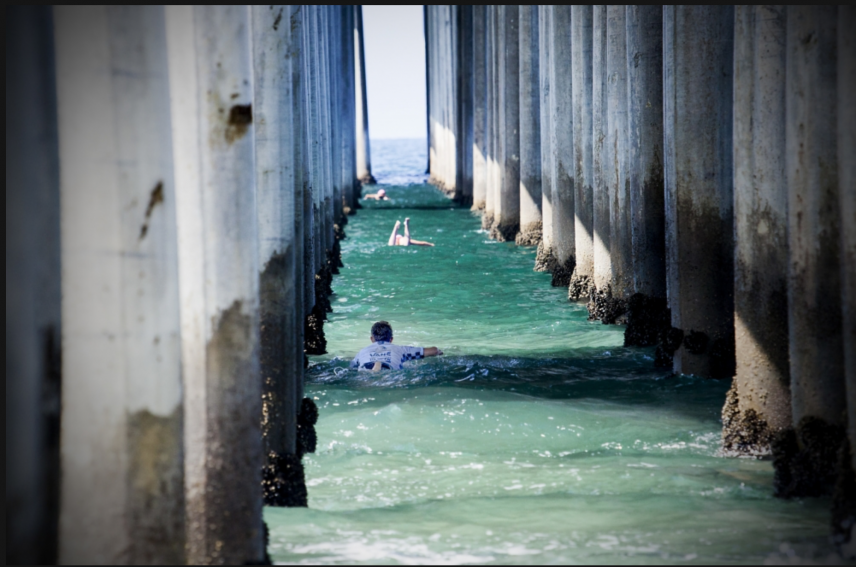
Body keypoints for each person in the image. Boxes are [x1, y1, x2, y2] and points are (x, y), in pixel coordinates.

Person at [351, 320, 443, 371]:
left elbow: (351, 367)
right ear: (391, 339)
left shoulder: (362, 352)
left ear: (371, 339)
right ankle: (378, 366)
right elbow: (434, 350)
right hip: (388, 369)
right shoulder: (401, 349)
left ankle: (376, 366)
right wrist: (440, 352)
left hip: (366, 368)